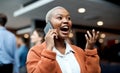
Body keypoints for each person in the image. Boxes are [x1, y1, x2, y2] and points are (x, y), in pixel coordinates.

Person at [26, 6, 101, 73]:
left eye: (68, 18)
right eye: (60, 18)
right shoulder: (35, 52)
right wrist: (49, 49)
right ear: (49, 25)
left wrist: (90, 50)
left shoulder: (79, 51)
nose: (66, 21)